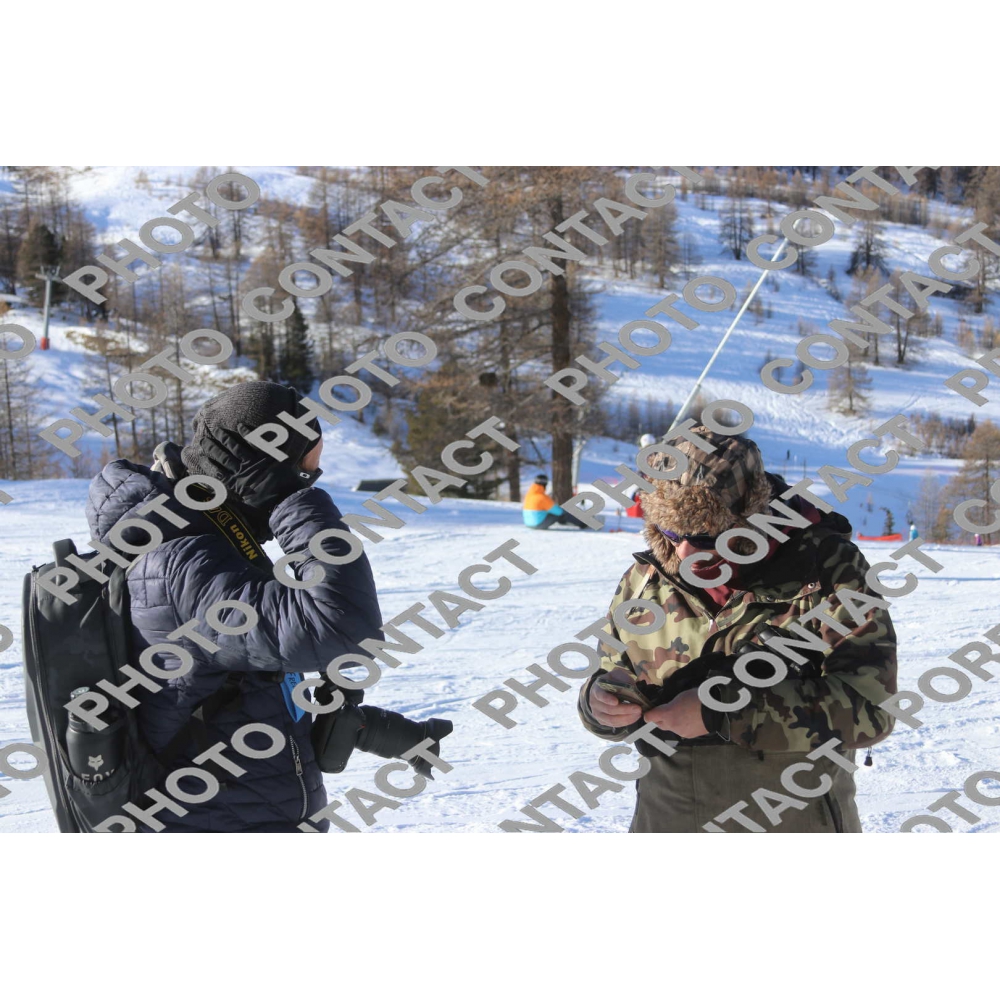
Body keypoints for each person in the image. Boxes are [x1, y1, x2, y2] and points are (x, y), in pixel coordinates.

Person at [86, 382, 387, 832]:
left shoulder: (206, 544)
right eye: (304, 472)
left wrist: (373, 730)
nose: (308, 483)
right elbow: (342, 626)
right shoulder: (180, 562)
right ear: (263, 466)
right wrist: (291, 499)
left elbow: (234, 690)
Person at [578, 426, 898, 833]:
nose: (684, 552)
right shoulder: (644, 580)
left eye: (704, 536)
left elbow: (870, 708)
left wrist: (723, 711)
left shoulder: (827, 570)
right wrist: (599, 704)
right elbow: (610, 672)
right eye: (672, 533)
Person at [522, 474, 590, 529]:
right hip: (538, 524)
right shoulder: (542, 497)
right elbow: (559, 512)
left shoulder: (529, 495)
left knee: (555, 513)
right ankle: (583, 524)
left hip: (528, 524)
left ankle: (563, 522)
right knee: (562, 513)